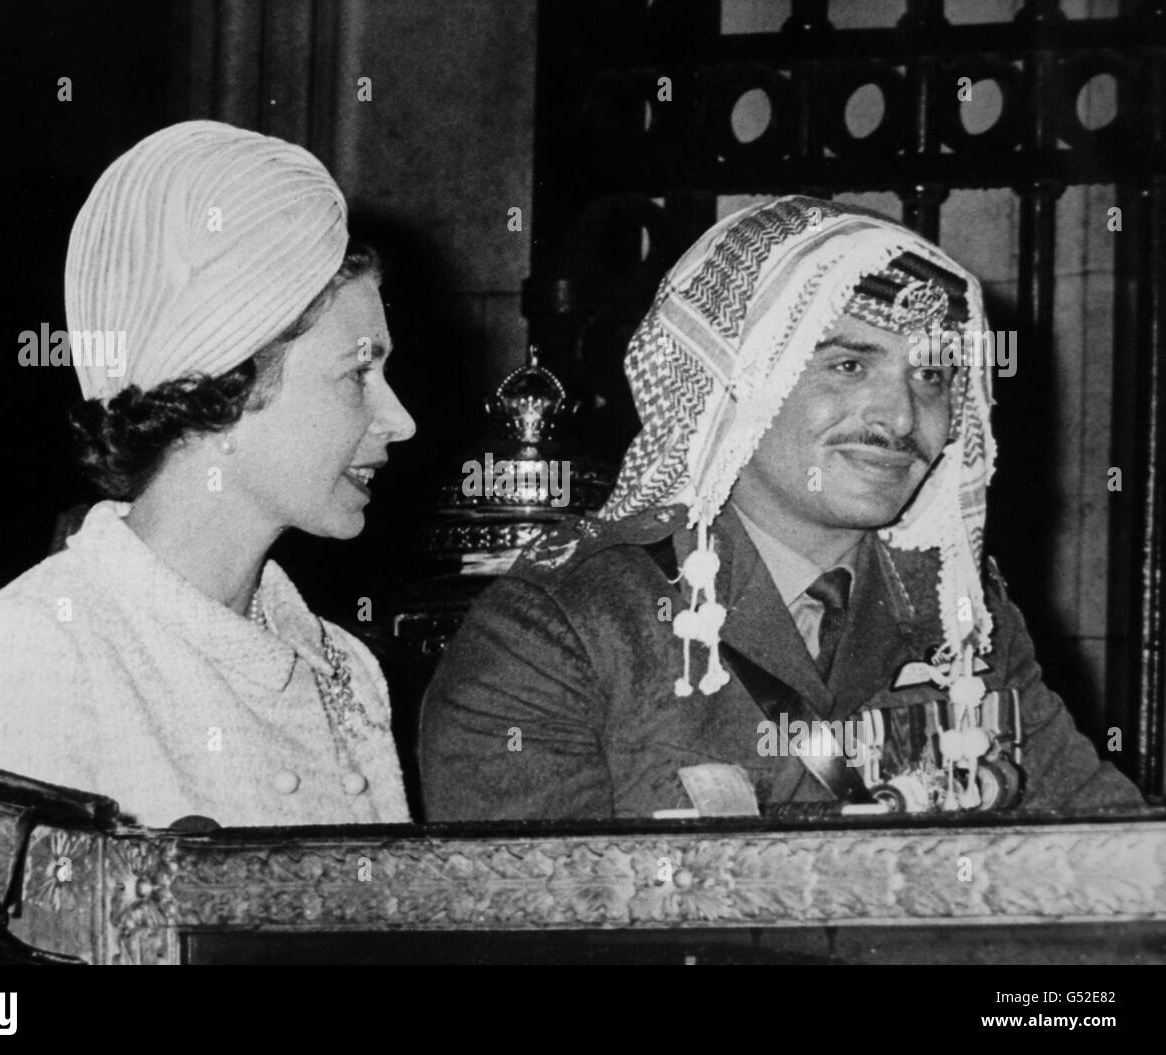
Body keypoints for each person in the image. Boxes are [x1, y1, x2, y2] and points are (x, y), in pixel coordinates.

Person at [419, 195, 1141, 821]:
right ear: (733, 382)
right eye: (848, 364)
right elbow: (532, 925)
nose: (899, 416)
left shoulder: (961, 612)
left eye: (931, 374)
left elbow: (1108, 859)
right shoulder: (560, 628)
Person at [0, 121, 416, 828]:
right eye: (357, 372)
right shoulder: (27, 662)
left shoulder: (344, 671)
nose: (400, 419)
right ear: (226, 388)